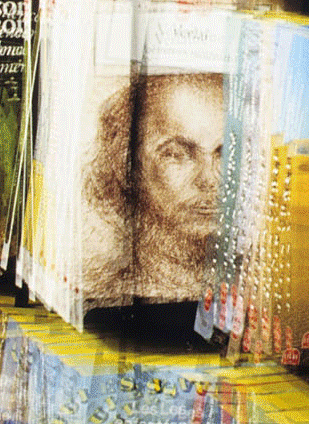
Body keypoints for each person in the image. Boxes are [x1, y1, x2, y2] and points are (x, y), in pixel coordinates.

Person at [84, 73, 224, 307]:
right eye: (176, 154)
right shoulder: (102, 298)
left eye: (226, 154)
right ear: (127, 166)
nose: (209, 180)